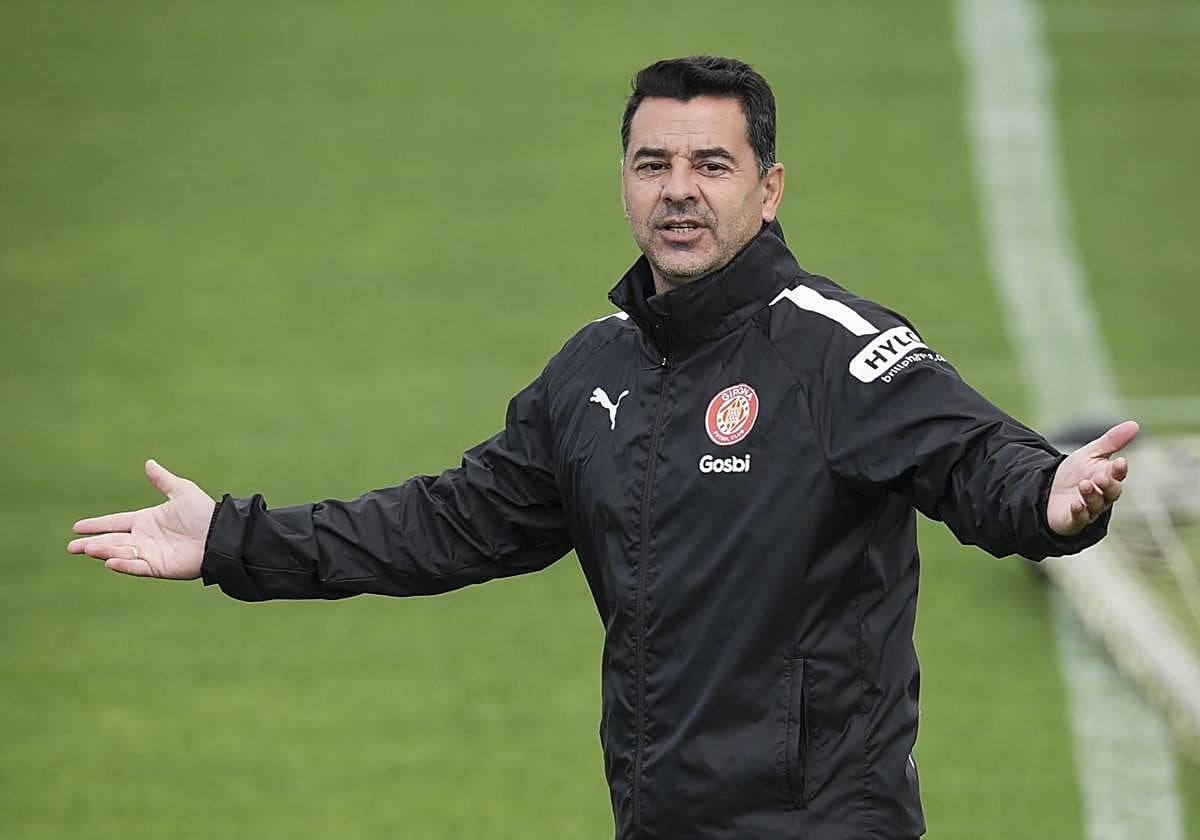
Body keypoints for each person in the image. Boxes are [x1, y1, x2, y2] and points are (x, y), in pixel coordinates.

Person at [68, 56, 1136, 839]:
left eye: (712, 163)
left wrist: (1046, 490)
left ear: (768, 191)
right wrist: (230, 542)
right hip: (660, 817)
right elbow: (441, 524)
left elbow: (965, 449)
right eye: (653, 162)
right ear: (624, 184)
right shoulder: (592, 375)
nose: (679, 188)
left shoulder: (833, 350)